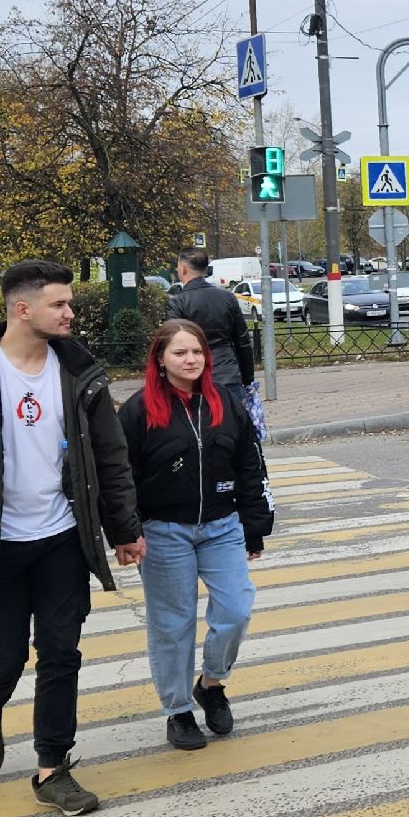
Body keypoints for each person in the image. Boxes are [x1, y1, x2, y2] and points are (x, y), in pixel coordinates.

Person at [0, 259, 144, 816]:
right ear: (23, 308)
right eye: (59, 304)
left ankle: (52, 768)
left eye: (68, 304)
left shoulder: (79, 373)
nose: (70, 312)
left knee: (61, 654)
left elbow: (110, 457)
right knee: (4, 660)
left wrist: (124, 529)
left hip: (62, 539)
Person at [119, 319, 272, 751]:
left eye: (197, 352)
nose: (190, 360)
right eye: (179, 353)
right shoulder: (138, 410)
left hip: (223, 525)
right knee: (173, 624)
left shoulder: (225, 400)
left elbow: (249, 465)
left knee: (237, 609)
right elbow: (122, 476)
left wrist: (255, 527)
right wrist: (127, 531)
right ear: (160, 360)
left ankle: (211, 683)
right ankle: (178, 711)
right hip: (164, 531)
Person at [164, 253, 256, 399]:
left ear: (183, 268)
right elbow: (242, 341)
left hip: (193, 380)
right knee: (230, 420)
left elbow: (172, 343)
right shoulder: (228, 297)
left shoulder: (178, 302)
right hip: (228, 375)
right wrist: (247, 378)